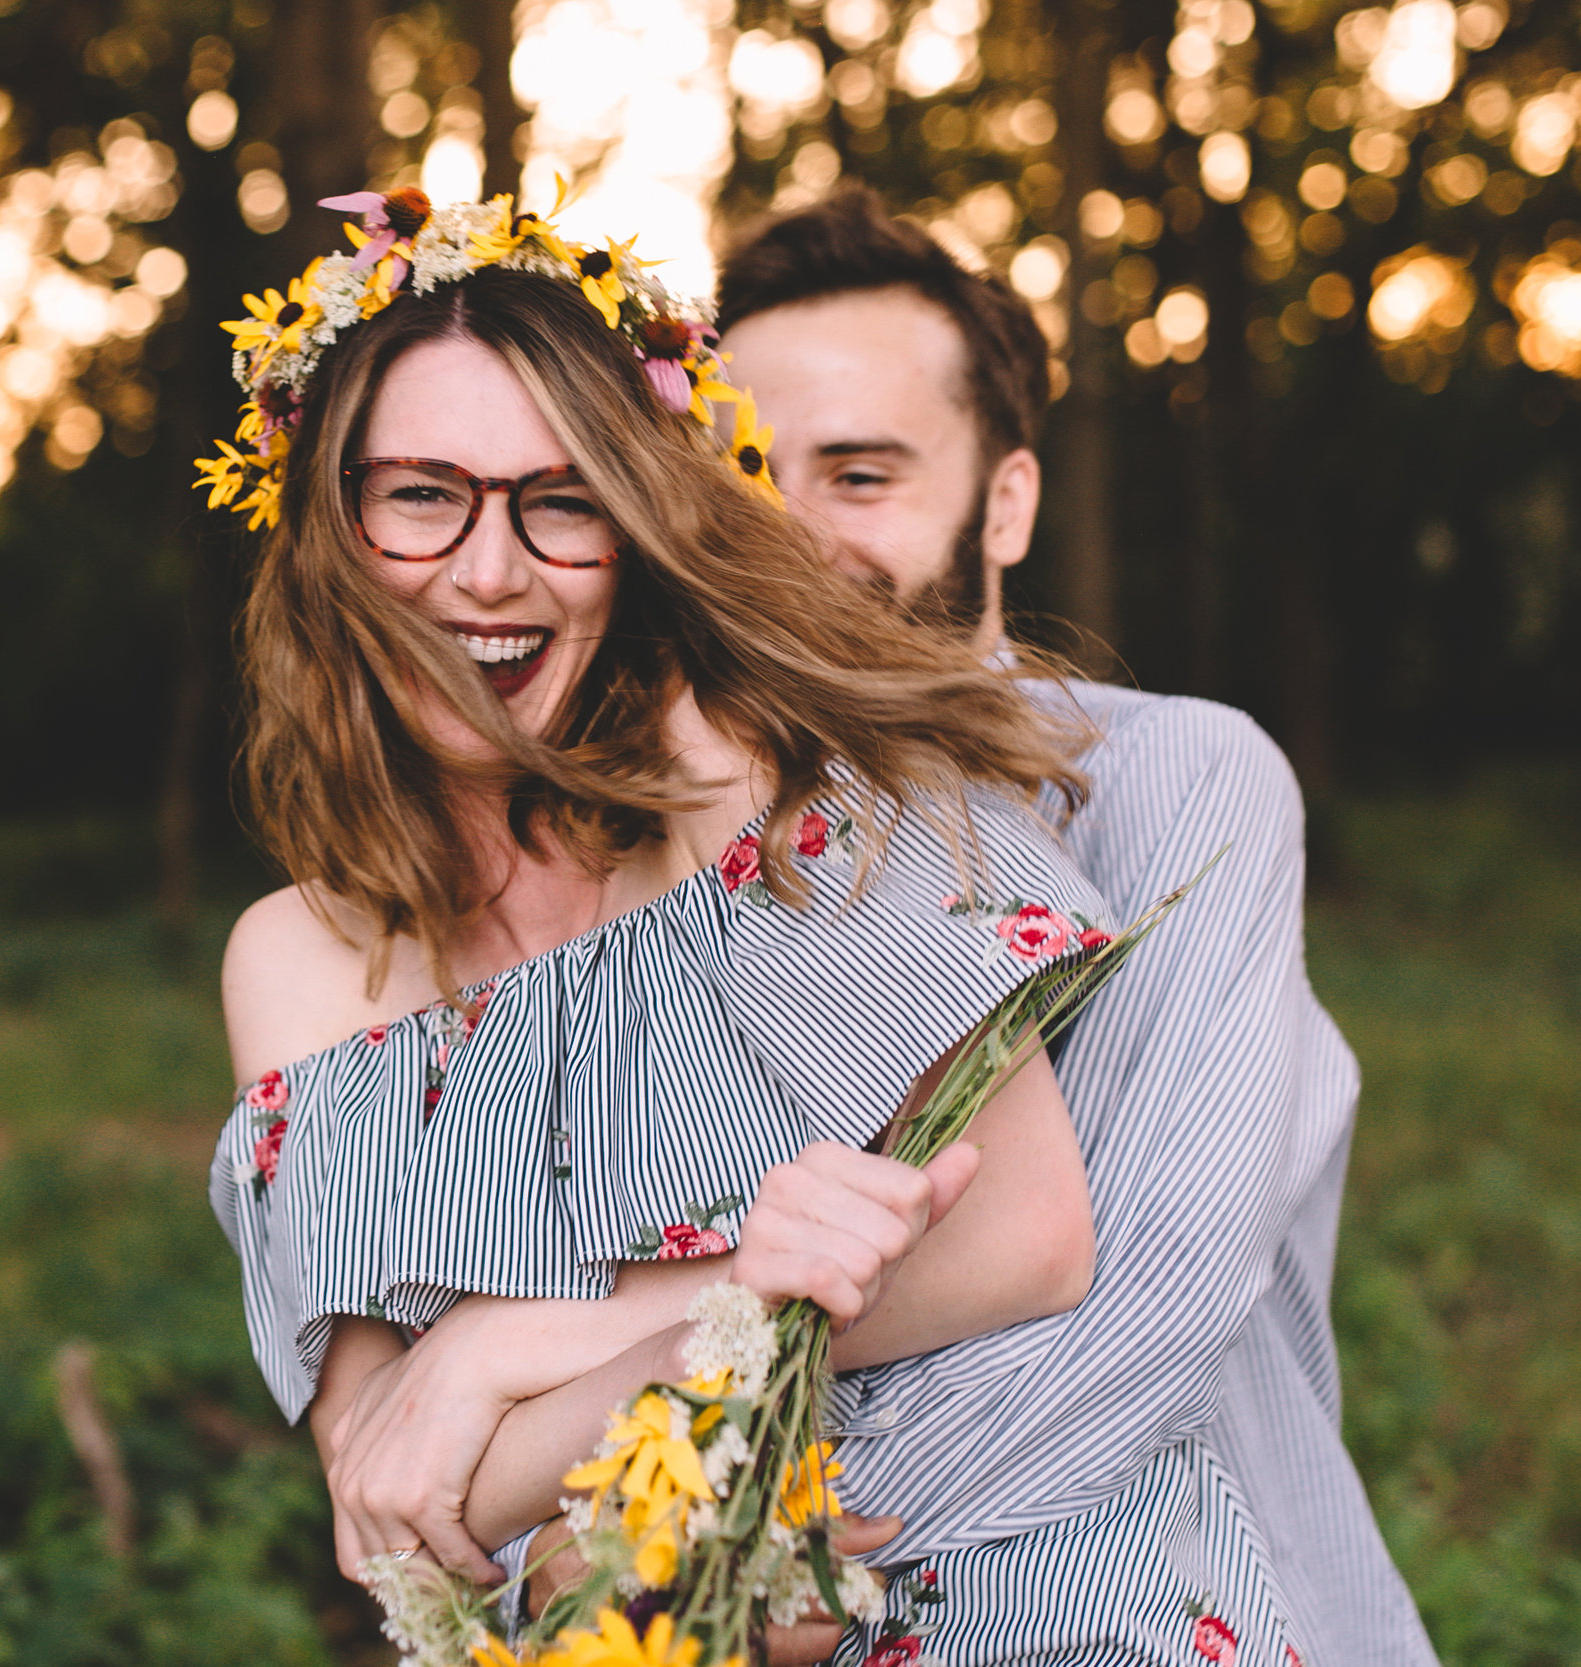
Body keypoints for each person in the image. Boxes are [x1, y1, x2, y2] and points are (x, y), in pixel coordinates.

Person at [203, 190, 1306, 1664]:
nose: (487, 570)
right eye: (420, 494)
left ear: (639, 527)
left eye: (561, 498)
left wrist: (507, 1352)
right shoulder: (292, 959)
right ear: (330, 530)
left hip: (1032, 1614)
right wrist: (697, 1342)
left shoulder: (762, 784)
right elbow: (396, 1497)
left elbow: (1025, 1241)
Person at [715, 190, 1440, 1666]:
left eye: (860, 475)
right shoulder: (672, 838)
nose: (783, 535)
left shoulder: (1174, 779)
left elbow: (1130, 1299)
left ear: (1006, 503)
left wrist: (700, 1556)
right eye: (740, 477)